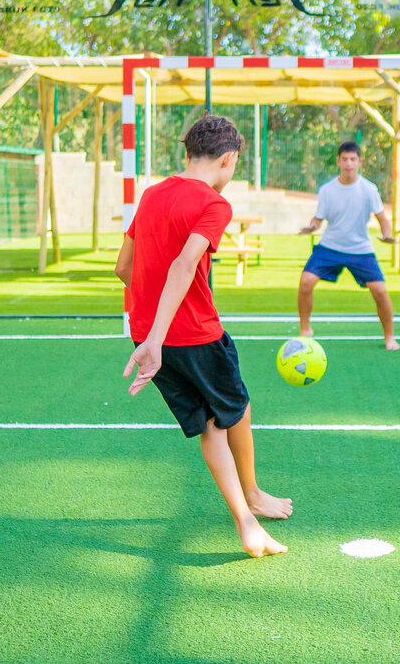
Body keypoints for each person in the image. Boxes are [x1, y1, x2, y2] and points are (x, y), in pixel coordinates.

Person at [117, 114, 290, 559]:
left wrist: (150, 334)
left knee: (210, 424)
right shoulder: (214, 204)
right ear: (229, 159)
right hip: (189, 333)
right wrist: (159, 335)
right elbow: (184, 264)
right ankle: (251, 495)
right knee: (237, 408)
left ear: (187, 153)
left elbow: (122, 269)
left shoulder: (151, 194)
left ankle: (246, 519)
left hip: (147, 336)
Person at [298, 141, 399, 350]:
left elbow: (383, 219)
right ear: (338, 161)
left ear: (360, 162)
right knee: (306, 281)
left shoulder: (369, 189)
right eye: (344, 159)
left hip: (360, 250)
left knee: (380, 291)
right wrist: (311, 227)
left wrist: (386, 235)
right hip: (330, 247)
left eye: (353, 159)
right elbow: (318, 219)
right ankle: (305, 329)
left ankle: (390, 337)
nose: (348, 164)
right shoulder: (327, 190)